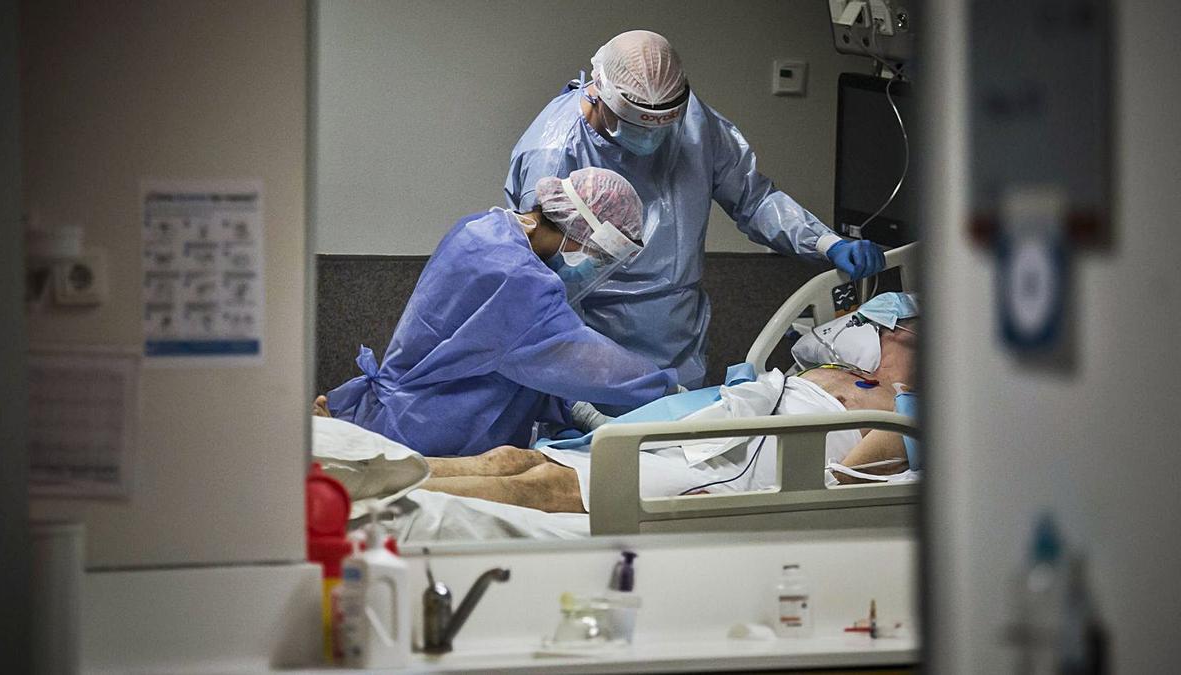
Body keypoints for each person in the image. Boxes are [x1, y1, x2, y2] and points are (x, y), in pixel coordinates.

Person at [506, 30, 887, 388]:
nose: (653, 139)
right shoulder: (554, 151)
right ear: (599, 95)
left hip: (677, 324)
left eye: (662, 126)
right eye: (638, 126)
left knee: (683, 435)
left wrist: (825, 242)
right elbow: (539, 277)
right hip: (593, 331)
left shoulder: (692, 123)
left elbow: (754, 199)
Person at [320, 317, 919, 513]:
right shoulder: (841, 370)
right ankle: (358, 471)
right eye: (895, 323)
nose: (895, 328)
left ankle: (364, 499)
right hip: (704, 432)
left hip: (741, 468)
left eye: (906, 330)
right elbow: (763, 381)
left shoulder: (907, 412)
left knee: (550, 485)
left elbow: (843, 487)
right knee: (513, 457)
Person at [318, 167, 680, 457]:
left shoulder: (485, 229)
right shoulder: (519, 280)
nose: (593, 268)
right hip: (430, 438)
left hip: (412, 413)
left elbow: (507, 357)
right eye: (597, 257)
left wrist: (575, 410)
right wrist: (670, 392)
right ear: (577, 235)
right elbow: (588, 363)